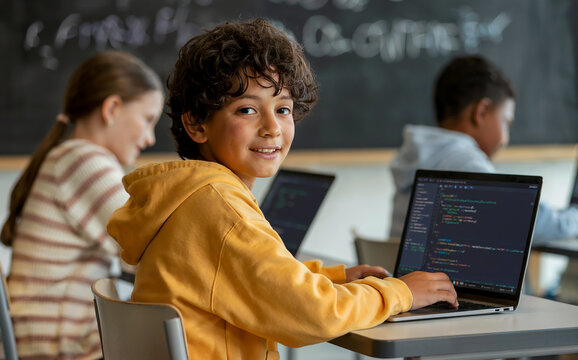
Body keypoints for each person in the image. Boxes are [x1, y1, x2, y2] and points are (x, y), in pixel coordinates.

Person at [106, 18, 458, 359]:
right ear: (197, 124)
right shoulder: (219, 209)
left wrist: (332, 278)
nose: (272, 128)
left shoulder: (194, 197)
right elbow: (314, 315)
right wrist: (402, 292)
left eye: (283, 109)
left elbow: (259, 281)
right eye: (247, 109)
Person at [1, 50, 164, 359]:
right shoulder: (84, 161)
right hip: (57, 346)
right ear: (112, 108)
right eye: (147, 120)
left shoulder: (68, 156)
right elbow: (148, 246)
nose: (149, 138)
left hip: (46, 338)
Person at [388, 54, 578, 301]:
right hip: (449, 299)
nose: (506, 139)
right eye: (506, 121)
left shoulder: (415, 156)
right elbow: (535, 222)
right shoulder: (464, 163)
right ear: (482, 111)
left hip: (408, 294)